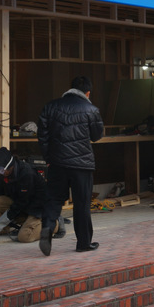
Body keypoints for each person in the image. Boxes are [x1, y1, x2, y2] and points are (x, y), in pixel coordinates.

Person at [37, 75, 104, 256]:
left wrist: (48, 157)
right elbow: (97, 135)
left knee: (54, 199)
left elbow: (42, 136)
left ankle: (48, 227)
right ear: (87, 93)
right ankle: (83, 243)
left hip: (57, 162)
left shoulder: (50, 107)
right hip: (82, 165)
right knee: (81, 203)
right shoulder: (91, 109)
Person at [0, 147, 65, 242]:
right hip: (24, 207)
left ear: (10, 167)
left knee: (24, 237)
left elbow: (20, 204)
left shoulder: (27, 174)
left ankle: (55, 224)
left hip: (38, 208)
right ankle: (27, 223)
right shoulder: (2, 174)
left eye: (1, 170)